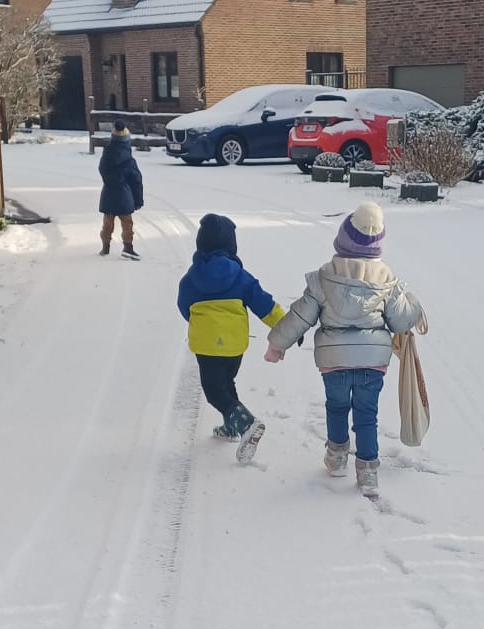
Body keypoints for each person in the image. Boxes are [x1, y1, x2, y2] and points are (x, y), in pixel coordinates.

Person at [264, 200, 423, 499]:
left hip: (333, 363)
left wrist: (277, 344)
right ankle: (368, 473)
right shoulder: (386, 282)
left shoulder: (324, 278)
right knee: (366, 415)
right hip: (372, 365)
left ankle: (336, 458)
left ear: (341, 242)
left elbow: (300, 316)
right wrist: (411, 301)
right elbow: (402, 319)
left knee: (336, 407)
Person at [177, 213, 284, 464]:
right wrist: (286, 326)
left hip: (206, 345)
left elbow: (184, 305)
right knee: (227, 382)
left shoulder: (192, 277)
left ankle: (247, 425)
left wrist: (201, 324)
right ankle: (232, 426)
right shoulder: (240, 275)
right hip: (235, 345)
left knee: (215, 392)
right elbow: (264, 305)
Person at [98, 121, 143, 259]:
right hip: (124, 196)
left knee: (107, 223)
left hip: (108, 194)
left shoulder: (106, 156)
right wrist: (138, 201)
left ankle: (105, 247)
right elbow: (136, 182)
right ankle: (128, 248)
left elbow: (102, 171)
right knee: (127, 223)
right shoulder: (129, 160)